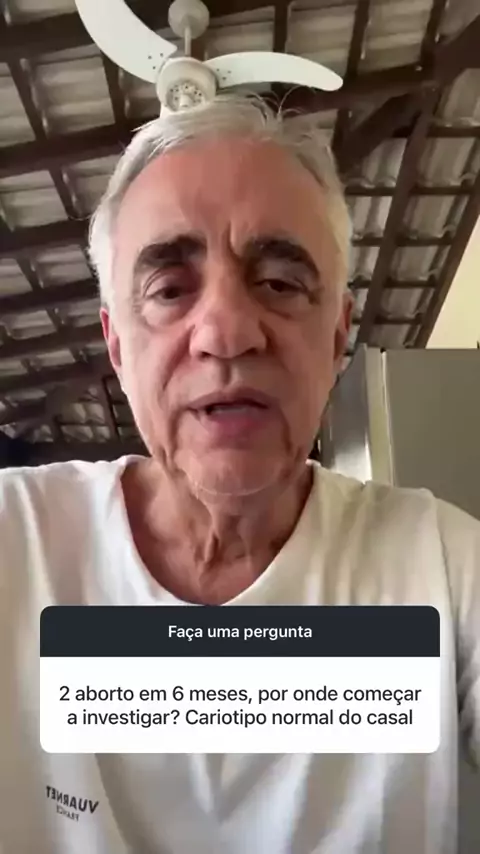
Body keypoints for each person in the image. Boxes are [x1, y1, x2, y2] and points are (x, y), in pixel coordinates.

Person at [0, 95, 479, 854]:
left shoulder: (445, 568)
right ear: (117, 346)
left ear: (338, 338)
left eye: (281, 283)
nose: (226, 332)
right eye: (169, 289)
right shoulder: (13, 543)